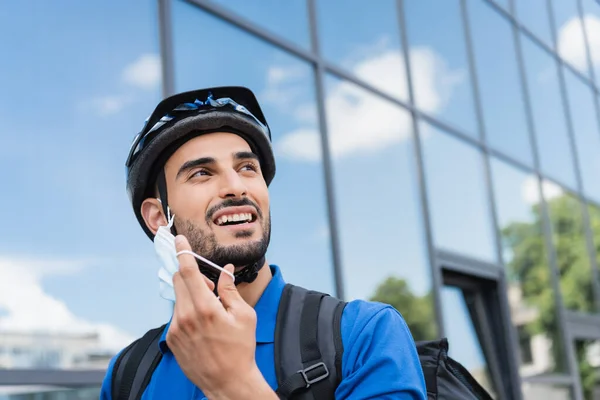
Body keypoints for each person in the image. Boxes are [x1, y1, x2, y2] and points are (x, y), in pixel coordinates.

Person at [100, 86, 427, 399]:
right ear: (159, 217)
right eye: (201, 173)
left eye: (246, 167)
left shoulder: (364, 334)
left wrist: (234, 385)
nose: (235, 186)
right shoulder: (128, 374)